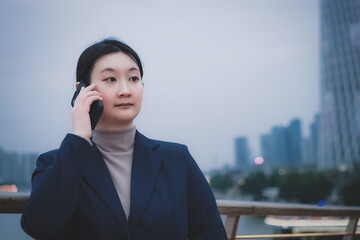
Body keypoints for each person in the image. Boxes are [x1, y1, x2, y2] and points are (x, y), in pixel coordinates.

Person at [21, 38, 227, 240]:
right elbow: (40, 227)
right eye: (110, 79)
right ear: (82, 91)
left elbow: (210, 233)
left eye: (134, 79)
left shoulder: (177, 160)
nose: (126, 91)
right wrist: (80, 137)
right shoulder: (55, 164)